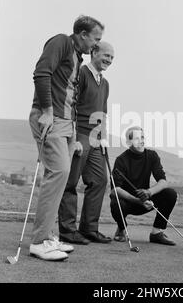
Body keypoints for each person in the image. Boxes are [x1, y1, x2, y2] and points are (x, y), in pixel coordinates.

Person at [29, 15, 104, 261]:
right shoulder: (61, 41)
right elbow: (41, 73)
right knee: (59, 173)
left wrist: (74, 133)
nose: (96, 44)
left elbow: (71, 94)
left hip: (66, 124)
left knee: (61, 177)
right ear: (83, 34)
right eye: (96, 38)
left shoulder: (77, 55)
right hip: (49, 117)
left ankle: (49, 236)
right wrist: (48, 112)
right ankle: (39, 241)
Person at [58, 42, 114, 245]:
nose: (108, 60)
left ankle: (89, 228)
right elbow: (70, 105)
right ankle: (67, 231)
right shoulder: (80, 73)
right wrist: (73, 138)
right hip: (79, 135)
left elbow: (102, 113)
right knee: (71, 183)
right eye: (106, 55)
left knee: (99, 181)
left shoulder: (105, 83)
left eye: (112, 58)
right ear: (94, 53)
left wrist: (103, 137)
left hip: (96, 138)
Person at [110, 126, 177, 246]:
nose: (141, 141)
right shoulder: (121, 160)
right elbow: (115, 190)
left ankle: (156, 233)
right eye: (136, 138)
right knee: (115, 201)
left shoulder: (152, 155)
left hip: (146, 201)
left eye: (142, 137)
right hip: (128, 202)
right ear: (129, 142)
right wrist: (137, 200)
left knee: (170, 193)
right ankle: (121, 229)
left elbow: (163, 181)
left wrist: (149, 192)